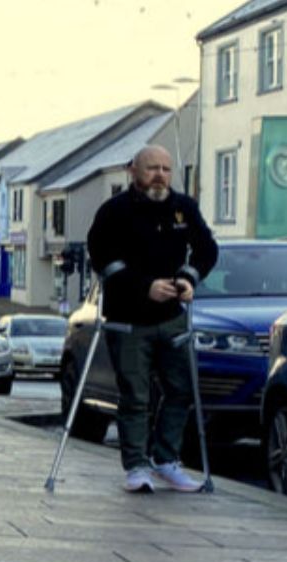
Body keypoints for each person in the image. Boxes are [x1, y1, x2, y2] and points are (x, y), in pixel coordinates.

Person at [85, 145, 218, 493]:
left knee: (181, 389)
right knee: (135, 395)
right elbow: (102, 258)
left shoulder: (183, 208)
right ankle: (136, 466)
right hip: (129, 319)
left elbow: (207, 249)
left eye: (166, 169)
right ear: (134, 171)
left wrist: (188, 279)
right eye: (152, 168)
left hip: (172, 316)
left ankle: (166, 459)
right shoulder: (114, 212)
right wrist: (144, 287)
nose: (160, 175)